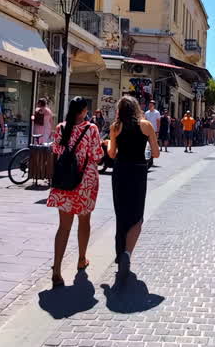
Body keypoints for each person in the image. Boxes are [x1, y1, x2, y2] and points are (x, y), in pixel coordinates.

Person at [46, 97, 102, 287]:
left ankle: (57, 269)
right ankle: (81, 259)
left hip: (64, 181)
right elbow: (97, 155)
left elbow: (56, 149)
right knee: (84, 221)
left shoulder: (61, 128)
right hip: (85, 181)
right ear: (84, 110)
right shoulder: (91, 129)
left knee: (63, 227)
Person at [107, 95, 160, 285]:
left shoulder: (115, 127)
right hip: (138, 171)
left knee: (121, 214)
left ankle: (120, 253)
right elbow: (156, 153)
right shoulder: (146, 125)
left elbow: (111, 153)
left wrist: (109, 143)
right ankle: (127, 254)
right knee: (137, 216)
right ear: (136, 108)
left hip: (120, 171)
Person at [144, 101, 162, 166]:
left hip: (154, 131)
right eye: (149, 105)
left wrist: (158, 131)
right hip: (147, 131)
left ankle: (151, 160)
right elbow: (145, 121)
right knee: (147, 145)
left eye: (151, 105)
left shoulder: (157, 113)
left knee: (152, 145)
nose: (150, 106)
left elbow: (158, 122)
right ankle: (146, 159)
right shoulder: (146, 113)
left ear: (154, 106)